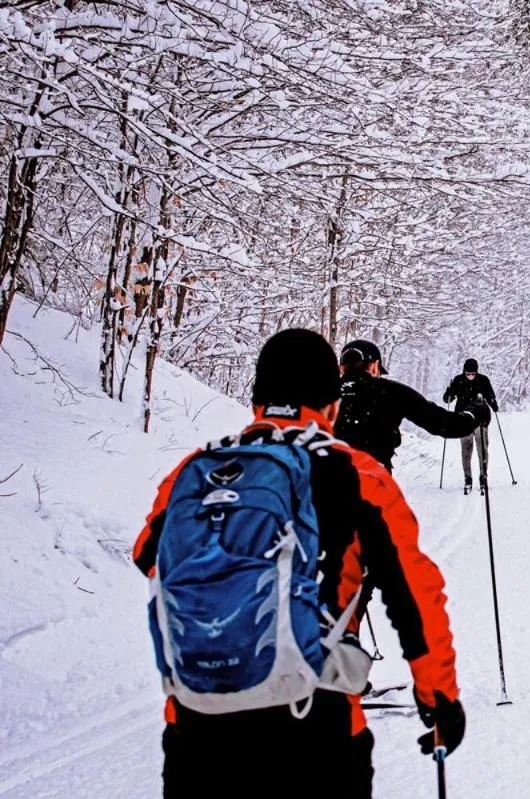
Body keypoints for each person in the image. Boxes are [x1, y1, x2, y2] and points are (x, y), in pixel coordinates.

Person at [132, 329, 466, 798]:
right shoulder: (358, 474)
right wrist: (438, 698)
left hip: (196, 724)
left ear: (256, 401)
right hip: (315, 724)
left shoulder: (198, 468)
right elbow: (414, 595)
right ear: (332, 405)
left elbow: (147, 553)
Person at [335, 339, 487, 473]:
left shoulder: (318, 395)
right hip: (373, 483)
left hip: (322, 484)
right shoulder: (392, 392)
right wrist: (475, 415)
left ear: (341, 368)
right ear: (375, 366)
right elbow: (442, 423)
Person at [443, 358, 499, 495]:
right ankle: (468, 478)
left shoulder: (483, 380)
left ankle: (483, 477)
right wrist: (449, 391)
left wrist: (493, 403)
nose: (470, 376)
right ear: (464, 372)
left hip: (481, 420)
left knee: (482, 450)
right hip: (463, 420)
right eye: (468, 374)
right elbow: (447, 399)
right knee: (466, 451)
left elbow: (491, 395)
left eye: (473, 374)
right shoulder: (458, 380)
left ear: (477, 372)